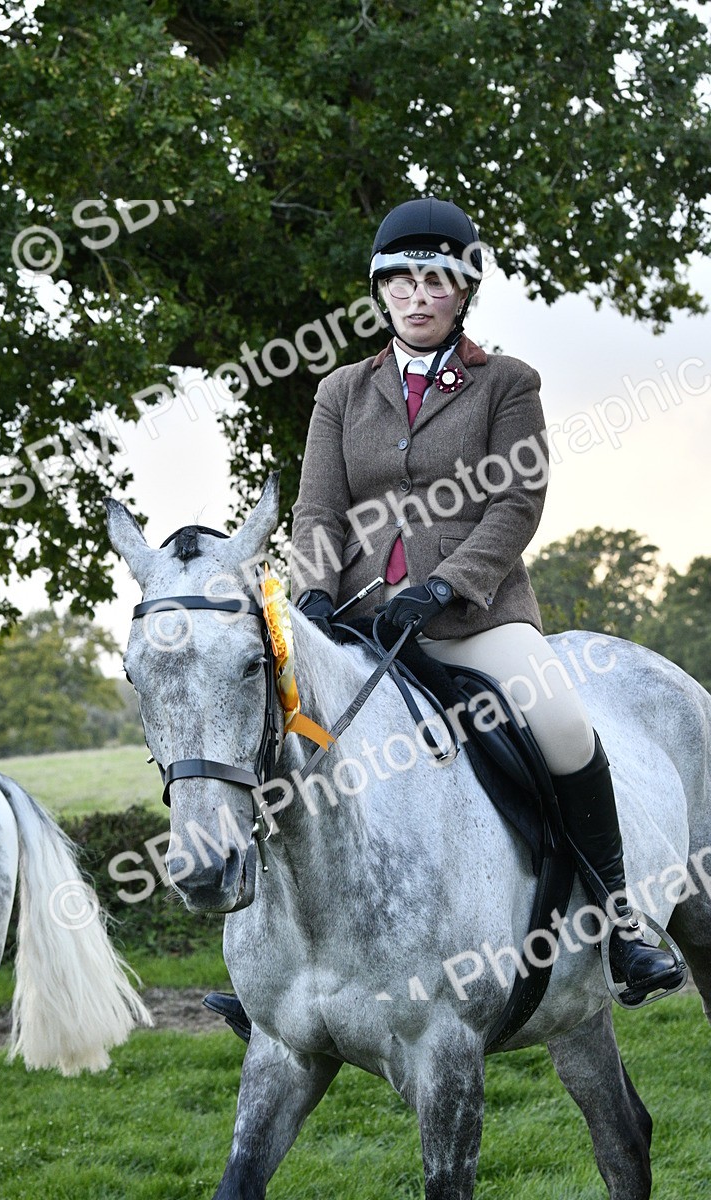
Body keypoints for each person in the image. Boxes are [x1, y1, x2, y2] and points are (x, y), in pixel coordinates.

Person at [205, 197, 684, 1041]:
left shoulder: (507, 383)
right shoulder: (340, 391)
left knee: (565, 726)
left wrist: (450, 584)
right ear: (381, 290)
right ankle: (270, 975)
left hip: (476, 617)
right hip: (352, 619)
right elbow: (317, 510)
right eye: (400, 280)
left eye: (435, 280)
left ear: (463, 293)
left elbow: (517, 502)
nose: (416, 294)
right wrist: (314, 593)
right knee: (268, 741)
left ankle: (620, 927)